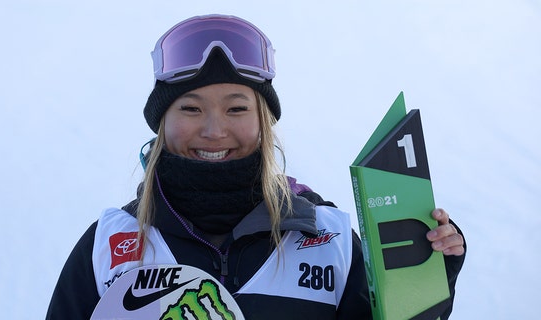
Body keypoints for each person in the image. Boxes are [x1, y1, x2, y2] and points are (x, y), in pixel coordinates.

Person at [46, 14, 466, 319]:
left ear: (263, 124)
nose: (214, 130)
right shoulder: (111, 244)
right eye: (191, 108)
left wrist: (422, 282)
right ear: (162, 123)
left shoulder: (329, 238)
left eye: (237, 108)